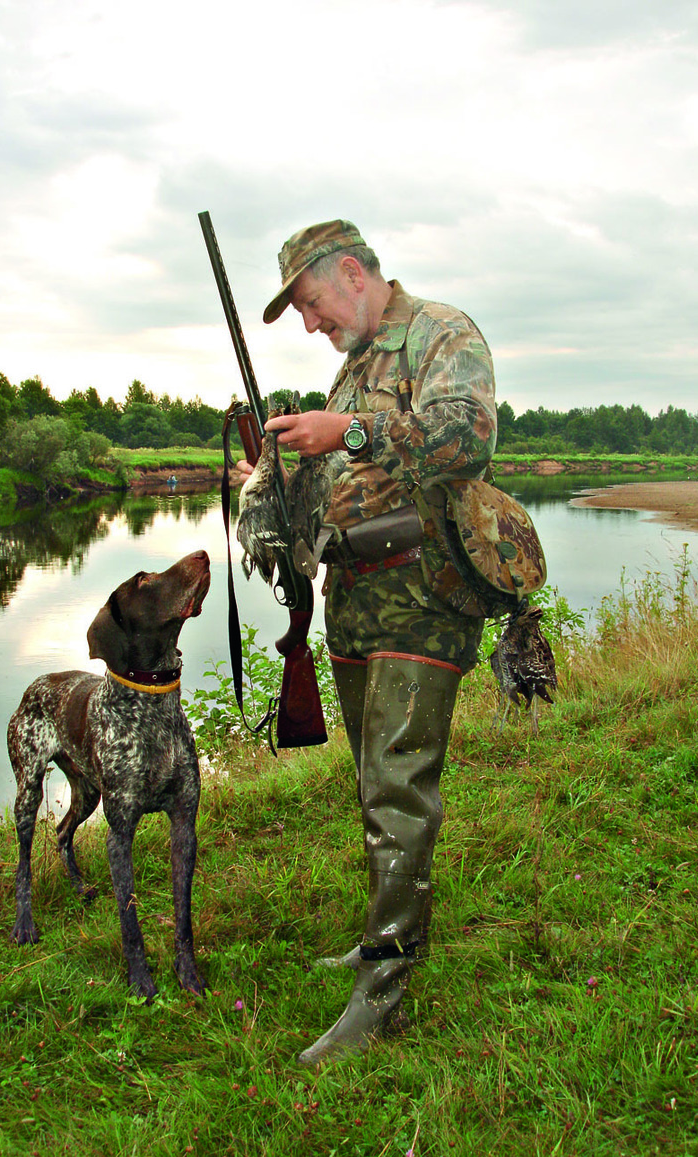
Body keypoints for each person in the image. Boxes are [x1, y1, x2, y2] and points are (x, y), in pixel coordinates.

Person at [240, 219, 497, 1067]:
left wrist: (343, 432)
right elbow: (332, 490)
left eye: (311, 304)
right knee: (374, 781)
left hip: (424, 601)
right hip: (354, 608)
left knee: (399, 787)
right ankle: (384, 934)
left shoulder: (439, 332)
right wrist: (271, 484)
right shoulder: (350, 373)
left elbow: (466, 437)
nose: (311, 324)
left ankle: (385, 985)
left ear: (351, 273)